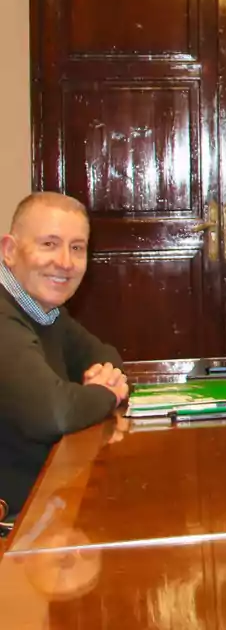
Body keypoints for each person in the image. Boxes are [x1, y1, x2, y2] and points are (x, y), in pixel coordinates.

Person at [0, 193, 127, 517]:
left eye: (77, 248)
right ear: (9, 251)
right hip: (14, 525)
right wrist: (106, 393)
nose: (65, 262)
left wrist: (100, 384)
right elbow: (53, 414)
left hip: (45, 501)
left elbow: (105, 356)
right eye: (49, 244)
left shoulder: (45, 310)